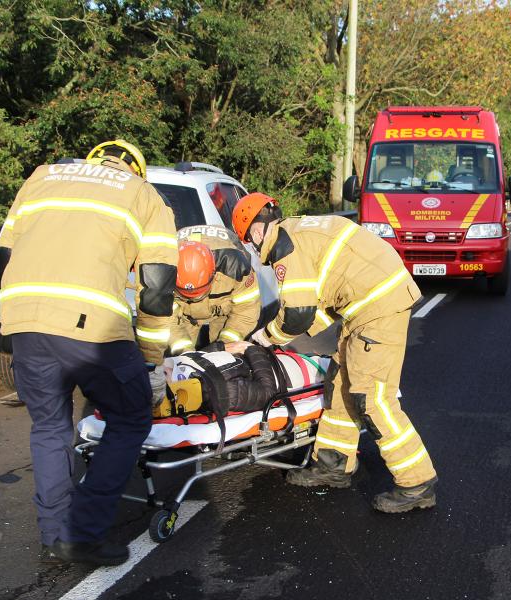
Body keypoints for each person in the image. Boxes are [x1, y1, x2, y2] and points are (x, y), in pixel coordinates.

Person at [0, 140, 178, 566]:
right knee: (131, 418)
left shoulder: (41, 177)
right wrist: (150, 356)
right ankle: (85, 533)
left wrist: (23, 311)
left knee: (49, 428)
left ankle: (55, 534)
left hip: (25, 320)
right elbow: (157, 282)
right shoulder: (142, 194)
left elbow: (4, 257)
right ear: (136, 168)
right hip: (93, 328)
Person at [231, 192, 438, 513]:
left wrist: (265, 339)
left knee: (371, 397)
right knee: (340, 383)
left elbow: (299, 313)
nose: (253, 250)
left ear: (256, 232)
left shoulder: (284, 244)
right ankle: (333, 464)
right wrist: (291, 337)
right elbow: (318, 305)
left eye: (249, 242)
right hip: (368, 303)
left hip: (377, 308)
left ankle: (417, 482)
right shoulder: (301, 230)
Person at [169, 224, 262, 354]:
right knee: (180, 358)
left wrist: (224, 347)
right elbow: (166, 319)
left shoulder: (236, 269)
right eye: (188, 294)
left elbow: (246, 311)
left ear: (214, 273)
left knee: (225, 359)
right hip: (185, 315)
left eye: (199, 292)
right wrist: (184, 353)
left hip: (222, 309)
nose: (195, 298)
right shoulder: (162, 272)